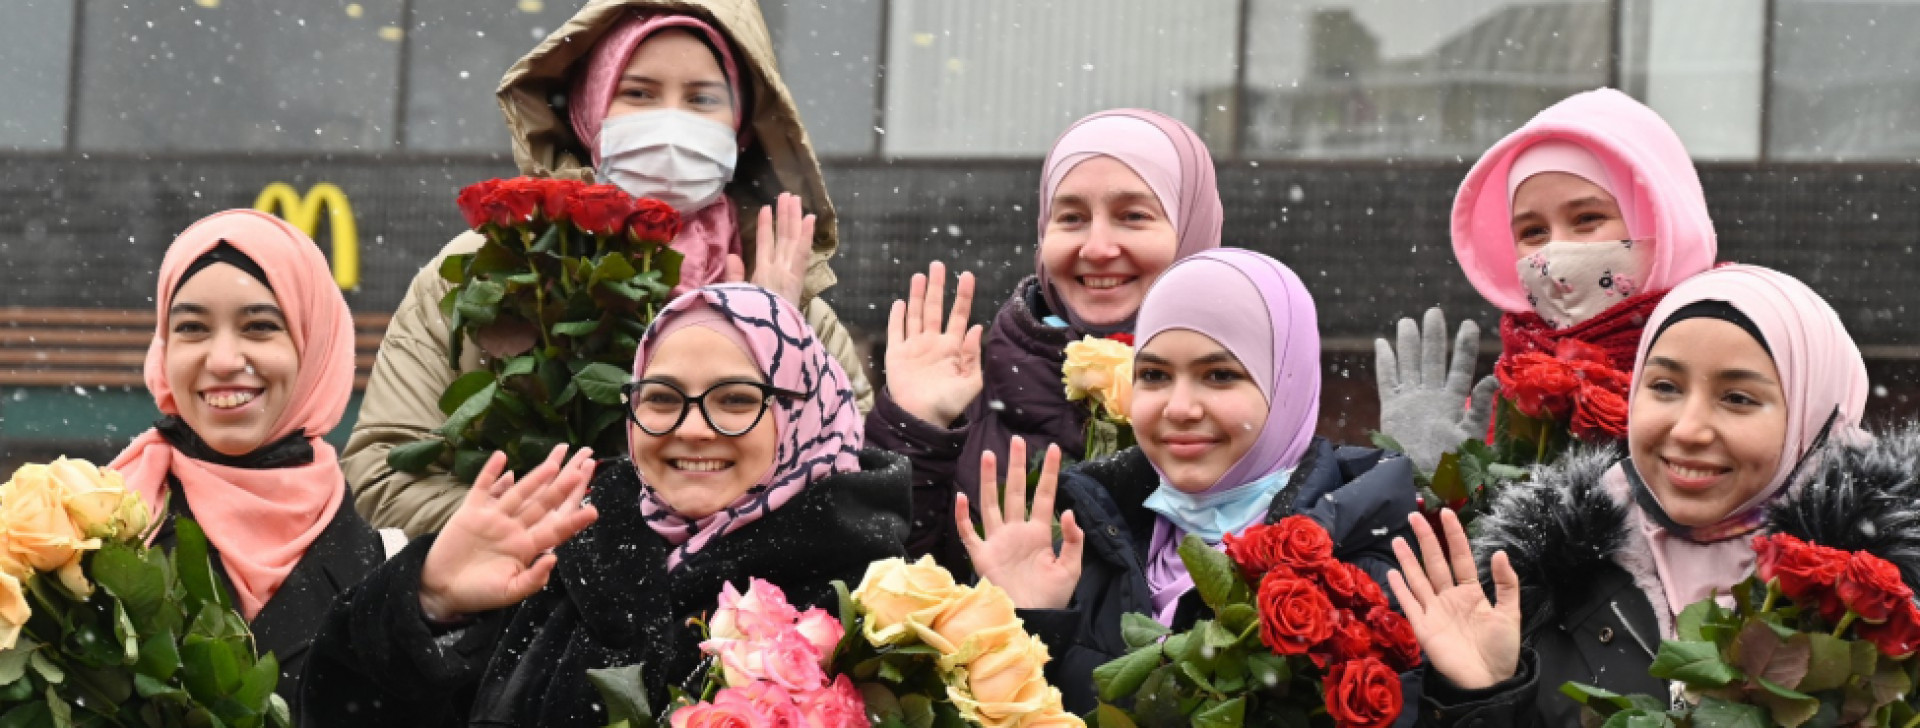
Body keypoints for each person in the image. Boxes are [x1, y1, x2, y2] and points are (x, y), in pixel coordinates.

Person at [346, 0, 872, 537]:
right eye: (638, 93)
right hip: (517, 611)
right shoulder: (482, 271)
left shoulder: (793, 296)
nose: (671, 122)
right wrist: (561, 537)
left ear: (740, 127)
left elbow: (861, 490)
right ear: (586, 110)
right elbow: (383, 476)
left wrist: (778, 342)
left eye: (703, 98)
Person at [300, 283, 910, 727]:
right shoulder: (564, 559)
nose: (692, 429)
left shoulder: (870, 602)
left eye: (734, 399)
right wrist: (425, 602)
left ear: (802, 416)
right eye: (662, 397)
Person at [1388, 265, 1919, 726]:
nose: (1687, 429)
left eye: (1737, 397)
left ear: (1814, 416)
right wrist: (1483, 698)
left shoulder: (1884, 606)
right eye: (1664, 387)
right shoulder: (1542, 586)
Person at [957, 249, 1419, 713]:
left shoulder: (1372, 572)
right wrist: (1030, 622)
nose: (1179, 408)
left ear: (1287, 383)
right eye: (1154, 375)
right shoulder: (1083, 545)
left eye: (1219, 375)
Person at [868, 107, 1224, 567]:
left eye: (1133, 216)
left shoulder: (1247, 387)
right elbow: (882, 586)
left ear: (1192, 226)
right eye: (1072, 218)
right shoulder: (970, 391)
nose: (1096, 248)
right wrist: (914, 432)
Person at [108, 209, 394, 717]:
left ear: (314, 346)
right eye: (192, 328)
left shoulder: (390, 552)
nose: (222, 359)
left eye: (260, 327)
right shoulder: (99, 524)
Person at [1375, 88, 1720, 471]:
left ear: (1658, 217)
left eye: (1587, 218)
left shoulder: (1738, 357)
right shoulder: (1496, 406)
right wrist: (1430, 482)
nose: (1557, 251)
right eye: (1534, 232)